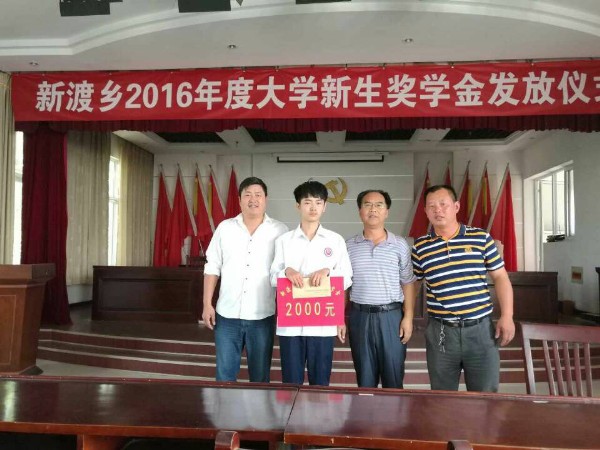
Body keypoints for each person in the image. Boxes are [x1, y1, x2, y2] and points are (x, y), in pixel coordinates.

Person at [411, 184, 515, 392]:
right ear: (425, 211)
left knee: (485, 396)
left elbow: (501, 277)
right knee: (442, 397)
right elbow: (413, 284)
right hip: (441, 332)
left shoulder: (480, 238)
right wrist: (407, 316)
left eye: (443, 204)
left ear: (456, 206)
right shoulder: (420, 247)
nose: (438, 210)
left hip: (480, 331)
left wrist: (507, 315)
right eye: (431, 206)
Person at [203, 176, 288, 382]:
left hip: (262, 317)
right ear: (240, 199)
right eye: (248, 195)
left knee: (260, 378)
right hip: (227, 316)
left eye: (258, 195)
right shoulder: (225, 228)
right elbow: (212, 266)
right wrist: (207, 304)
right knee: (224, 377)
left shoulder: (280, 231)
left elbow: (285, 272)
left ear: (266, 199)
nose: (253, 199)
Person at [270, 180, 352, 386]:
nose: (313, 207)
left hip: (323, 325)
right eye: (307, 202)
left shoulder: (335, 240)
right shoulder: (284, 241)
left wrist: (328, 272)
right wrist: (286, 271)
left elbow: (347, 278)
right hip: (291, 325)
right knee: (291, 382)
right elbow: (272, 278)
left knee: (320, 382)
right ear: (298, 206)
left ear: (325, 207)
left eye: (318, 202)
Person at [345, 189, 417, 388]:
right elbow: (343, 285)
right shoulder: (349, 246)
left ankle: (393, 410)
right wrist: (339, 318)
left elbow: (408, 282)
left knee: (393, 377)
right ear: (360, 211)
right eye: (367, 205)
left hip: (391, 318)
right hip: (359, 317)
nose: (373, 209)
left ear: (387, 211)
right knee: (365, 378)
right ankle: (366, 409)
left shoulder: (400, 245)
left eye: (379, 205)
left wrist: (408, 317)